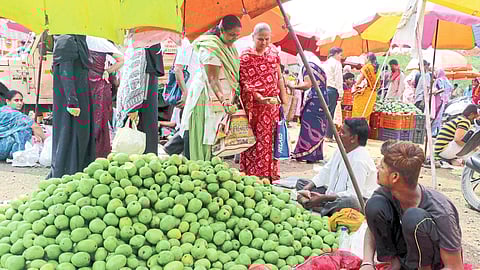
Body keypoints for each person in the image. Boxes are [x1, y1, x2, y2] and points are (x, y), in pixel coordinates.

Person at [361, 141, 463, 270]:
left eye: (381, 167)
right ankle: (395, 264)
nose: (377, 168)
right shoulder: (386, 192)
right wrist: (367, 263)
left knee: (414, 217)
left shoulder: (441, 211)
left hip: (434, 266)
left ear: (394, 177)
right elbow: (373, 227)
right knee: (374, 205)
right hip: (407, 255)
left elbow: (455, 267)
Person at [180, 15, 242, 161]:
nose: (235, 38)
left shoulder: (230, 48)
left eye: (237, 35)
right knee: (202, 133)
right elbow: (212, 79)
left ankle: (209, 165)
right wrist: (224, 100)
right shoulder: (210, 48)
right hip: (206, 96)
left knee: (214, 133)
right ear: (221, 31)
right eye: (232, 34)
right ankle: (197, 166)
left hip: (221, 97)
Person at [295, 118, 378, 216]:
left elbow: (353, 194)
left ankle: (318, 206)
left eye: (342, 132)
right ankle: (318, 205)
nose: (338, 134)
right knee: (301, 183)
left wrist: (323, 198)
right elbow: (326, 171)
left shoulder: (359, 160)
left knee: (351, 202)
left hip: (355, 201)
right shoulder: (341, 150)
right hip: (332, 194)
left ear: (353, 138)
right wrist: (307, 188)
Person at [239, 23, 288, 181]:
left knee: (269, 141)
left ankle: (268, 174)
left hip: (272, 106)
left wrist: (284, 99)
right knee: (254, 141)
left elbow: (279, 76)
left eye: (267, 39)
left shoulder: (273, 53)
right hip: (254, 107)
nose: (264, 42)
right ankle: (253, 175)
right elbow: (244, 82)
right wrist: (259, 97)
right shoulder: (245, 56)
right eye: (260, 39)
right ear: (253, 37)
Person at [49, 34, 95, 178]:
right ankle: (67, 174)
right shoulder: (66, 40)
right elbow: (65, 72)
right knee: (70, 135)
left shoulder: (79, 40)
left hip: (82, 97)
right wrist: (72, 101)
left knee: (81, 136)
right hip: (72, 101)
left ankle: (79, 172)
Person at [116, 42, 165, 155]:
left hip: (142, 99)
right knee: (144, 134)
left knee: (145, 134)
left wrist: (132, 106)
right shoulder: (141, 48)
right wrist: (132, 107)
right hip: (141, 100)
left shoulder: (140, 48)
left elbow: (132, 77)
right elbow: (133, 78)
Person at [287, 51, 329, 164]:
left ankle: (305, 152)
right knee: (318, 125)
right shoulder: (317, 67)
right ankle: (315, 154)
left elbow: (307, 85)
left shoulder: (307, 67)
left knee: (308, 124)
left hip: (314, 99)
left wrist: (293, 86)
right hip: (323, 98)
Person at [86, 36, 124, 158]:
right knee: (100, 120)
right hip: (99, 84)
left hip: (85, 85)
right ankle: (99, 154)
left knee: (86, 120)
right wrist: (108, 71)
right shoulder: (101, 42)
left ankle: (86, 154)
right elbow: (121, 60)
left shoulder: (80, 40)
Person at [0, 90, 46, 160]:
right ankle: (17, 152)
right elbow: (35, 126)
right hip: (3, 148)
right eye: (16, 100)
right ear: (8, 101)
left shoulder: (2, 110)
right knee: (23, 130)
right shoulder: (15, 114)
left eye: (21, 100)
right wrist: (46, 141)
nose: (20, 103)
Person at [323, 47, 343, 141]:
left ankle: (322, 134)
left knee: (324, 112)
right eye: (340, 54)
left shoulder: (325, 63)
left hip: (324, 89)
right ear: (335, 54)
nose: (341, 57)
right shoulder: (337, 64)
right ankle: (328, 135)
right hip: (332, 89)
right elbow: (339, 79)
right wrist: (341, 92)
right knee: (330, 113)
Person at [352, 52, 379, 119]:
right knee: (367, 112)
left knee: (359, 110)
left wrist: (355, 86)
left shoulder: (367, 67)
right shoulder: (375, 67)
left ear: (368, 58)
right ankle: (365, 126)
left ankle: (356, 127)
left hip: (366, 94)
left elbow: (359, 80)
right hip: (373, 93)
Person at [431, 69, 454, 136]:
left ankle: (433, 131)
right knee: (439, 116)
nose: (435, 74)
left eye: (436, 72)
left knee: (435, 116)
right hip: (444, 100)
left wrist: (435, 92)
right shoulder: (446, 80)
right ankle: (438, 131)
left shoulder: (439, 80)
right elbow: (451, 88)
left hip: (438, 99)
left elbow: (441, 89)